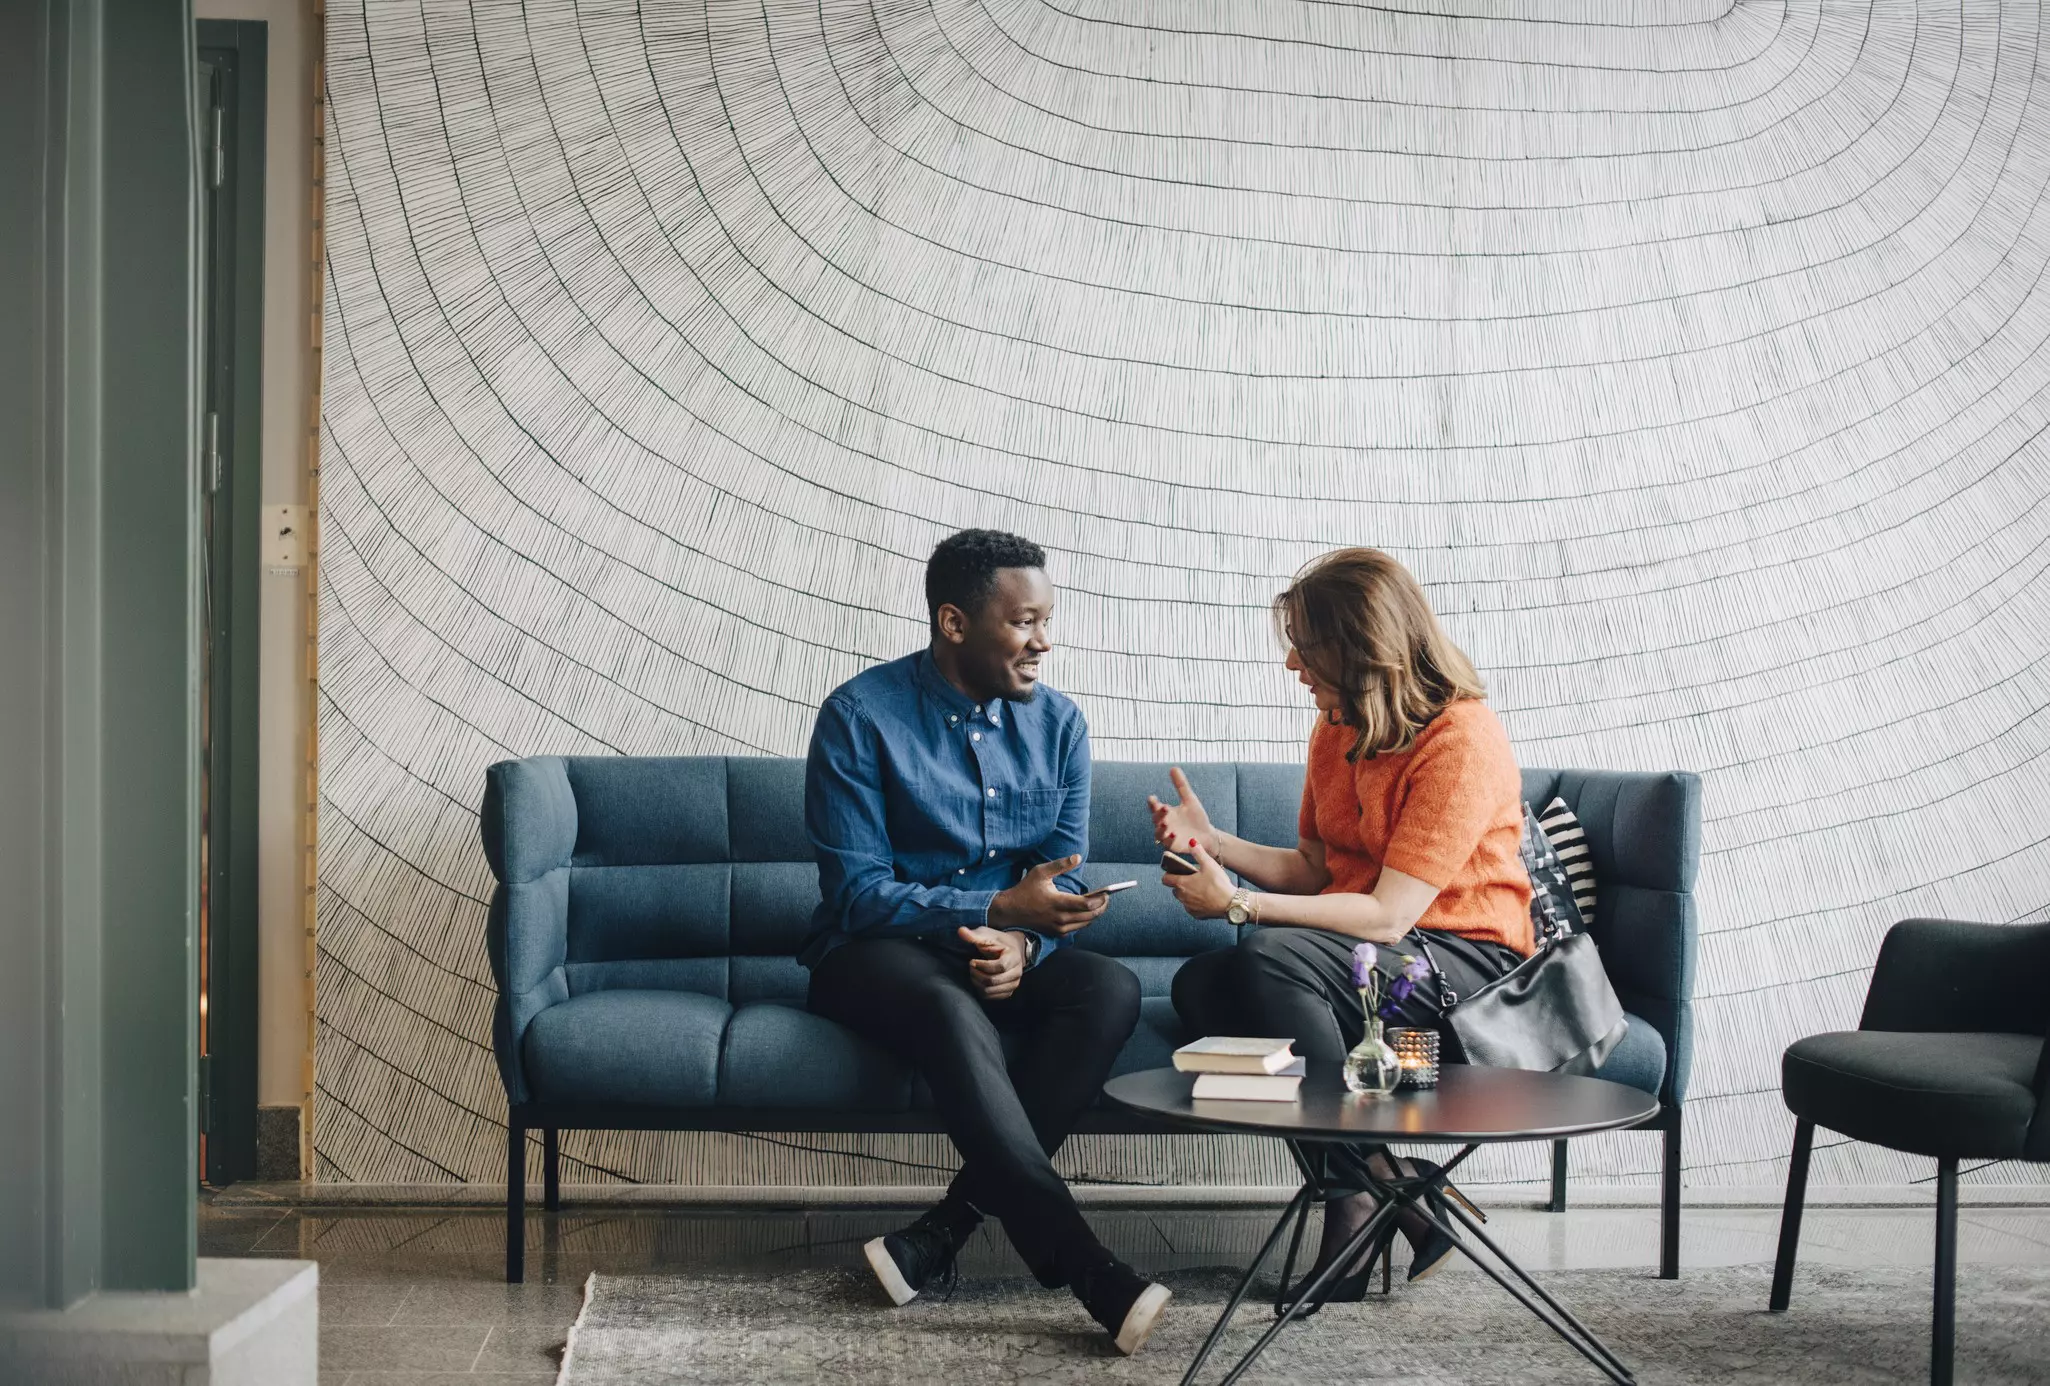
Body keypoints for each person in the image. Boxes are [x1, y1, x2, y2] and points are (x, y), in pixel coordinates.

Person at [802, 529, 1172, 1355]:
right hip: (872, 954)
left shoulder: (1062, 724)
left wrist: (1027, 945)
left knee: (1108, 988)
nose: (1045, 641)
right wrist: (999, 908)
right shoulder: (859, 718)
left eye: (1048, 620)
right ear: (954, 622)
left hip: (999, 943)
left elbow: (1065, 877)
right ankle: (1086, 1269)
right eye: (1024, 622)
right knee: (945, 1003)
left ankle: (941, 1232)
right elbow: (858, 896)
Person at [1156, 547, 1532, 1300]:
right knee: (1205, 987)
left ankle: (1352, 1201)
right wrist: (1215, 844)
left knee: (1266, 957)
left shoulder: (1461, 738)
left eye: (1309, 645)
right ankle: (1389, 1181)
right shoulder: (1338, 727)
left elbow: (1390, 915)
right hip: (1371, 952)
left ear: (1365, 649)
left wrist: (1236, 903)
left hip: (1466, 962)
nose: (1294, 663)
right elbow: (1316, 870)